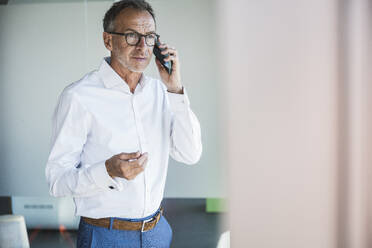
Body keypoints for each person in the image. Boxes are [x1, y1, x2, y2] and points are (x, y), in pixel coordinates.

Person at [45, 0, 202, 247]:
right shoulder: (78, 97)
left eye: (149, 36)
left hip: (157, 231)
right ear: (108, 41)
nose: (143, 46)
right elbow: (56, 181)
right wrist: (107, 171)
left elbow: (190, 153)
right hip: (105, 235)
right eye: (131, 36)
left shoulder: (161, 92)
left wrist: (175, 89)